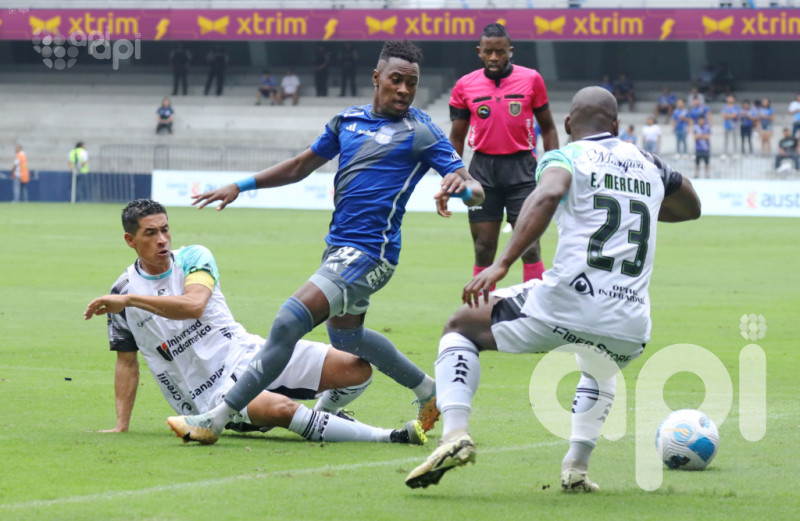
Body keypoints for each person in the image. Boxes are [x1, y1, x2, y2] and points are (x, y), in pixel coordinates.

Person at [165, 41, 485, 445]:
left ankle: (215, 418)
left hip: (371, 254)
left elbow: (476, 189)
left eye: (412, 83)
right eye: (396, 80)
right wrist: (240, 185)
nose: (404, 90)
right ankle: (429, 392)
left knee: (287, 322)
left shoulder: (421, 131)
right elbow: (300, 166)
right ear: (377, 78)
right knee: (347, 339)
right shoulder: (347, 122)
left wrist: (463, 187)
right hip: (339, 250)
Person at [404, 86, 701, 491]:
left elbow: (548, 192)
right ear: (616, 124)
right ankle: (576, 468)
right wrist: (639, 199)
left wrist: (503, 263)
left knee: (460, 326)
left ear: (566, 125)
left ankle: (455, 434)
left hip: (567, 303)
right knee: (600, 362)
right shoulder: (650, 163)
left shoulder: (566, 156)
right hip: (630, 324)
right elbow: (692, 208)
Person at [84, 199, 427, 445]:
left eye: (165, 229)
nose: (162, 239)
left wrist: (128, 301)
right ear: (131, 241)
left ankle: (328, 416)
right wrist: (121, 425)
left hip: (250, 353)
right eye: (150, 233)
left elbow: (193, 304)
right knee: (282, 409)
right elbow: (126, 363)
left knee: (356, 370)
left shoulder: (191, 258)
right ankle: (389, 437)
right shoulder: (122, 292)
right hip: (210, 394)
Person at [449, 23, 558, 287]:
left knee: (529, 246)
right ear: (479, 52)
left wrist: (554, 170)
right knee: (484, 247)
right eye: (488, 52)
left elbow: (549, 128)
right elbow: (457, 137)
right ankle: (481, 314)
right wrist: (451, 172)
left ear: (510, 50)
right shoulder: (465, 86)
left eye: (500, 51)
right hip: (482, 171)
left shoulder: (532, 79)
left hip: (523, 169)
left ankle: (534, 310)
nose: (494, 57)